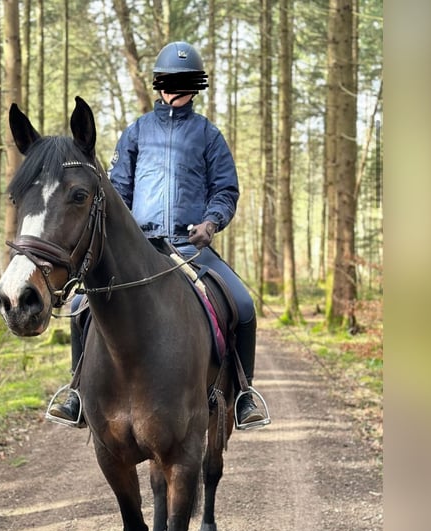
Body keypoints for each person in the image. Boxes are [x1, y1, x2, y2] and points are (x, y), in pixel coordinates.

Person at [48, 41, 267, 429]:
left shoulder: (208, 135)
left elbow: (226, 189)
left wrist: (211, 222)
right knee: (80, 305)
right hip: (140, 247)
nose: (174, 88)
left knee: (243, 305)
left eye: (183, 82)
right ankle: (77, 392)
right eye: (169, 81)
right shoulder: (136, 133)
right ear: (158, 84)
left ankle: (244, 396)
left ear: (194, 86)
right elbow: (117, 190)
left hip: (191, 248)